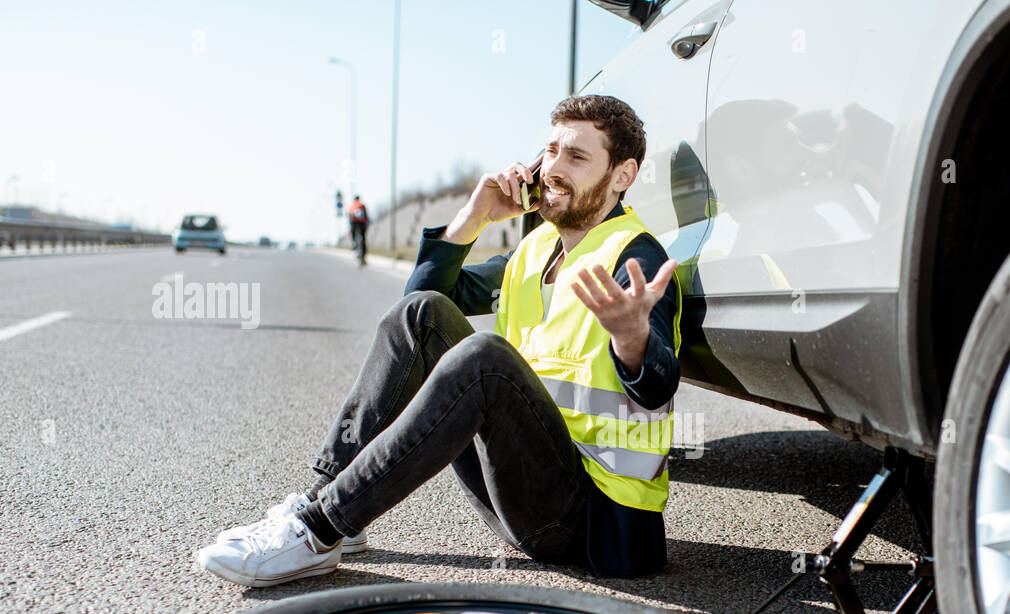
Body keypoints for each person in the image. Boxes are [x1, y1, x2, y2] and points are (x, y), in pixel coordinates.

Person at [195, 94, 682, 587]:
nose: (554, 167)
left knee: (484, 359)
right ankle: (324, 506)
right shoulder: (533, 252)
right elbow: (418, 302)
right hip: (516, 493)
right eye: (550, 150)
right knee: (423, 314)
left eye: (577, 156)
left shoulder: (635, 257)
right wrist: (474, 217)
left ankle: (320, 530)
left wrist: (631, 337)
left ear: (622, 175)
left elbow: (657, 385)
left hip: (591, 523)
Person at [348, 195, 368, 264]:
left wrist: (351, 229)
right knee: (363, 238)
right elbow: (366, 216)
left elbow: (349, 217)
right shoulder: (362, 205)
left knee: (353, 233)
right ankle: (364, 254)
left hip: (354, 222)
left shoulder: (352, 206)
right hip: (362, 223)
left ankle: (354, 243)